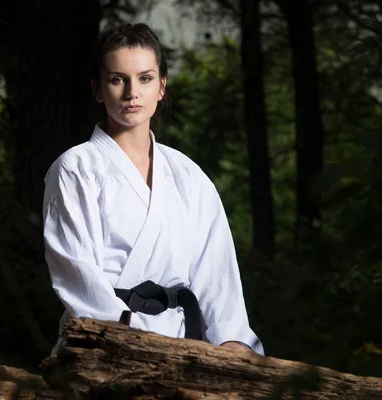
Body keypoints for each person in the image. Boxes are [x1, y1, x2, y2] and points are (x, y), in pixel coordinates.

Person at [42, 23, 264, 355]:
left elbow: (217, 278)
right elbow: (78, 278)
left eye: (145, 78)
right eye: (118, 79)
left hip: (185, 347)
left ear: (161, 86)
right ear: (98, 89)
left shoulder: (189, 176)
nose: (132, 92)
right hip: (101, 346)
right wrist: (133, 344)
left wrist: (230, 344)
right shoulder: (74, 169)